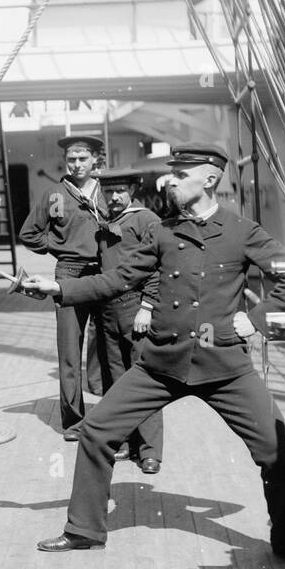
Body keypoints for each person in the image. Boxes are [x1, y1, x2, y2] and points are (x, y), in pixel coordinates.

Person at [21, 142, 285, 568]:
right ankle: (84, 531)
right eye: (171, 174)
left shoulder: (240, 230)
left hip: (224, 367)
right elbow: (119, 278)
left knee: (277, 449)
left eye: (180, 175)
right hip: (161, 364)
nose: (170, 181)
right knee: (97, 430)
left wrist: (257, 319)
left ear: (210, 179)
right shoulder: (164, 231)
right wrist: (60, 290)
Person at [19, 134, 116, 440]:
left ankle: (113, 419)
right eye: (71, 159)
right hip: (68, 275)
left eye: (83, 159)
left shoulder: (110, 191)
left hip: (106, 274)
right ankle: (74, 422)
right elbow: (29, 233)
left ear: (96, 160)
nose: (76, 165)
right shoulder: (54, 195)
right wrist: (59, 245)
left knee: (110, 349)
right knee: (70, 352)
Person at [96, 167, 164, 471]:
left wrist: (147, 306)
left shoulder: (146, 219)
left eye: (119, 191)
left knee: (145, 381)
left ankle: (150, 450)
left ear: (132, 191)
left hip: (135, 307)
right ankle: (124, 442)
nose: (113, 197)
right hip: (108, 309)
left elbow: (159, 266)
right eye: (108, 192)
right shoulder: (106, 221)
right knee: (116, 381)